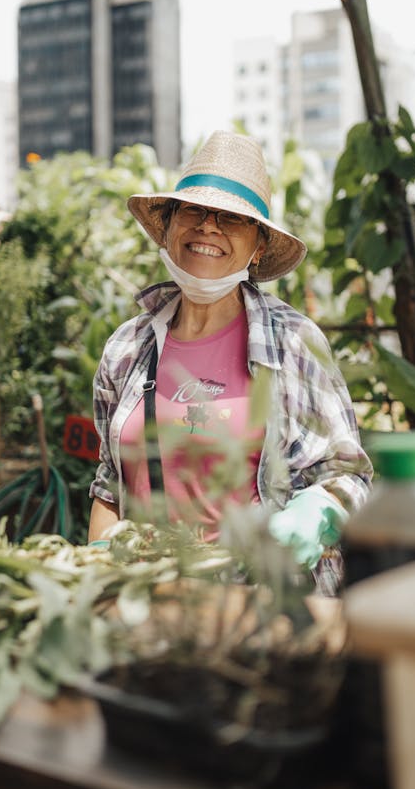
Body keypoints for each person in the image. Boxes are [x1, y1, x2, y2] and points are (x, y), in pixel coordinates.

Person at [88, 130, 373, 583]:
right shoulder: (127, 347)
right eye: (195, 210)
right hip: (149, 601)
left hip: (257, 604)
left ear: (259, 246)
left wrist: (317, 510)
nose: (208, 227)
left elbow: (350, 476)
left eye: (231, 218)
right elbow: (109, 483)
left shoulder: (294, 343)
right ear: (168, 227)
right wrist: (97, 567)